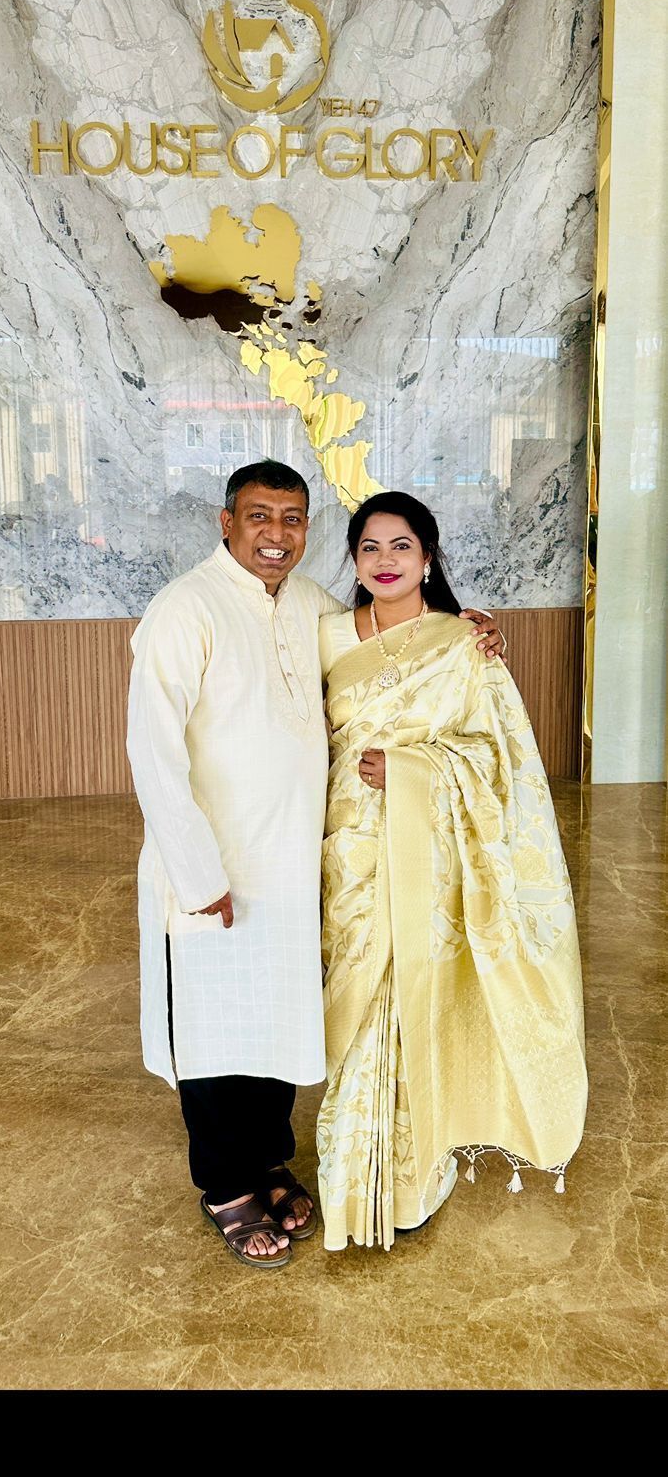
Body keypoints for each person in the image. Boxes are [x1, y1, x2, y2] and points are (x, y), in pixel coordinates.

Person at [126, 461, 506, 1269]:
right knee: (215, 1028)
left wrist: (460, 626)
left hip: (296, 861)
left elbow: (386, 635)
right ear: (225, 522)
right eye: (260, 516)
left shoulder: (308, 606)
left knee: (275, 1018)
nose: (276, 533)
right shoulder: (183, 610)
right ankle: (226, 1186)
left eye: (293, 519)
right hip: (216, 864)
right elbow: (152, 753)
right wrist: (196, 874)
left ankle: (267, 1161)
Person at [317, 492, 588, 1252]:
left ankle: (409, 1172)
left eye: (401, 546)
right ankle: (350, 1172)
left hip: (429, 847)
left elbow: (501, 758)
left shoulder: (463, 643)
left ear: (428, 556)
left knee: (411, 993)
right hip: (347, 848)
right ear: (354, 558)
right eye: (370, 548)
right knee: (357, 988)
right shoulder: (328, 635)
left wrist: (411, 768)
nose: (385, 562)